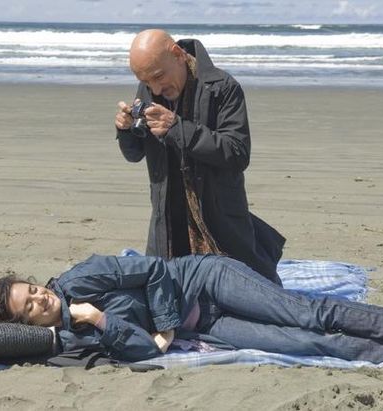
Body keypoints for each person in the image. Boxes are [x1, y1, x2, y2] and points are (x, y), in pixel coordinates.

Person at [0, 253, 383, 376]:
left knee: (308, 315)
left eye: (33, 290)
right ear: (27, 324)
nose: (41, 299)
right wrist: (101, 321)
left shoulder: (80, 278)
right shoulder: (76, 337)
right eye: (29, 306)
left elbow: (153, 268)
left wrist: (166, 323)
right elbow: (143, 352)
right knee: (308, 344)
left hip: (204, 280)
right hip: (208, 324)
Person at [114, 29, 285, 284]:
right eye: (146, 81)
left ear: (178, 55)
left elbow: (237, 153)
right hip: (168, 221)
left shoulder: (223, 87)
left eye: (159, 77)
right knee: (165, 297)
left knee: (251, 291)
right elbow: (134, 154)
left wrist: (177, 128)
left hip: (220, 218)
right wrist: (126, 130)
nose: (155, 88)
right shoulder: (149, 88)